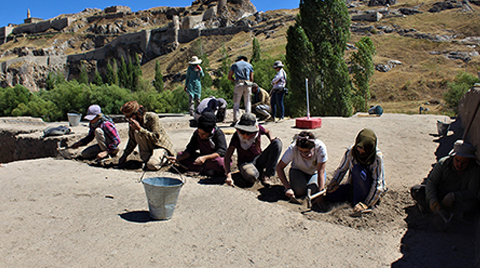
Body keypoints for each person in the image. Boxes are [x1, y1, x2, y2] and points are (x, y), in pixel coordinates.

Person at [411, 140, 480, 220]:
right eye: (457, 160)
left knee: (473, 206)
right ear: (453, 157)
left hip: (457, 200)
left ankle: (444, 214)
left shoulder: (475, 170)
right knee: (416, 190)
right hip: (440, 194)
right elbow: (432, 182)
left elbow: (472, 192)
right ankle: (438, 210)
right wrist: (433, 201)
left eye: (464, 163)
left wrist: (454, 196)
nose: (459, 165)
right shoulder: (443, 164)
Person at [326, 128, 386, 213]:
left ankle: (358, 202)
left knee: (358, 170)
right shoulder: (351, 151)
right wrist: (334, 181)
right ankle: (354, 198)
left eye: (364, 149)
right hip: (353, 186)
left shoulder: (377, 157)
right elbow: (342, 169)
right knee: (330, 196)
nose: (361, 151)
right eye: (359, 148)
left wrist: (366, 203)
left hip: (368, 189)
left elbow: (378, 183)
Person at [224, 113, 282, 187]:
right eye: (243, 132)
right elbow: (228, 156)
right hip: (245, 163)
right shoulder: (236, 136)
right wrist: (229, 176)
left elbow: (268, 131)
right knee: (252, 176)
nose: (245, 135)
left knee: (277, 143)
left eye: (249, 132)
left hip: (259, 158)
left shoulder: (258, 129)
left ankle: (267, 174)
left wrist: (272, 139)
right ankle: (257, 172)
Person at [118, 100, 174, 171]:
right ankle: (147, 159)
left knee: (152, 165)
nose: (129, 119)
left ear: (138, 113)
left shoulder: (152, 117)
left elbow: (156, 138)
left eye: (130, 117)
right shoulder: (133, 123)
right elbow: (132, 141)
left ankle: (164, 158)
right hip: (148, 150)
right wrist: (124, 155)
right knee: (137, 133)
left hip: (160, 146)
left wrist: (140, 129)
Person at [169, 112, 227, 177]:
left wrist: (205, 158)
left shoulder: (218, 134)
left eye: (203, 134)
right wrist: (178, 159)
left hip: (213, 159)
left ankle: (200, 169)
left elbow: (221, 151)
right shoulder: (196, 133)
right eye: (199, 133)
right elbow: (190, 150)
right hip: (201, 159)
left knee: (221, 163)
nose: (201, 136)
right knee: (180, 155)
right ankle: (207, 170)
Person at [276, 131, 327, 201]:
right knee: (299, 191)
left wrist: (320, 194)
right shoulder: (293, 149)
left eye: (306, 152)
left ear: (313, 148)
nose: (303, 155)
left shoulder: (320, 148)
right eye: (301, 151)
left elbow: (320, 171)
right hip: (298, 169)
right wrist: (288, 188)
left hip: (314, 172)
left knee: (313, 191)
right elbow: (279, 167)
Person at [228, 55, 254, 125]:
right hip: (248, 84)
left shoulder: (235, 65)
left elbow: (229, 77)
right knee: (248, 102)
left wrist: (235, 81)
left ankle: (236, 120)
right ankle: (248, 120)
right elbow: (252, 78)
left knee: (236, 103)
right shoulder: (249, 65)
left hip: (239, 83)